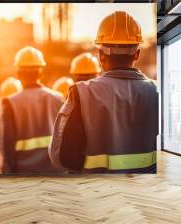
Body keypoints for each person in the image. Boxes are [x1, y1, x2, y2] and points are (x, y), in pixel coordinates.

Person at [49, 11, 158, 173]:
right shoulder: (157, 91)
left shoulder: (81, 93)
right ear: (137, 54)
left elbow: (62, 157)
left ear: (100, 55)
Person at [0, 46, 64, 173]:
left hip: (24, 172)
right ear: (40, 72)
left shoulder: (11, 103)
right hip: (55, 172)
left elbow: (8, 146)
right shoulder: (58, 99)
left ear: (18, 74)